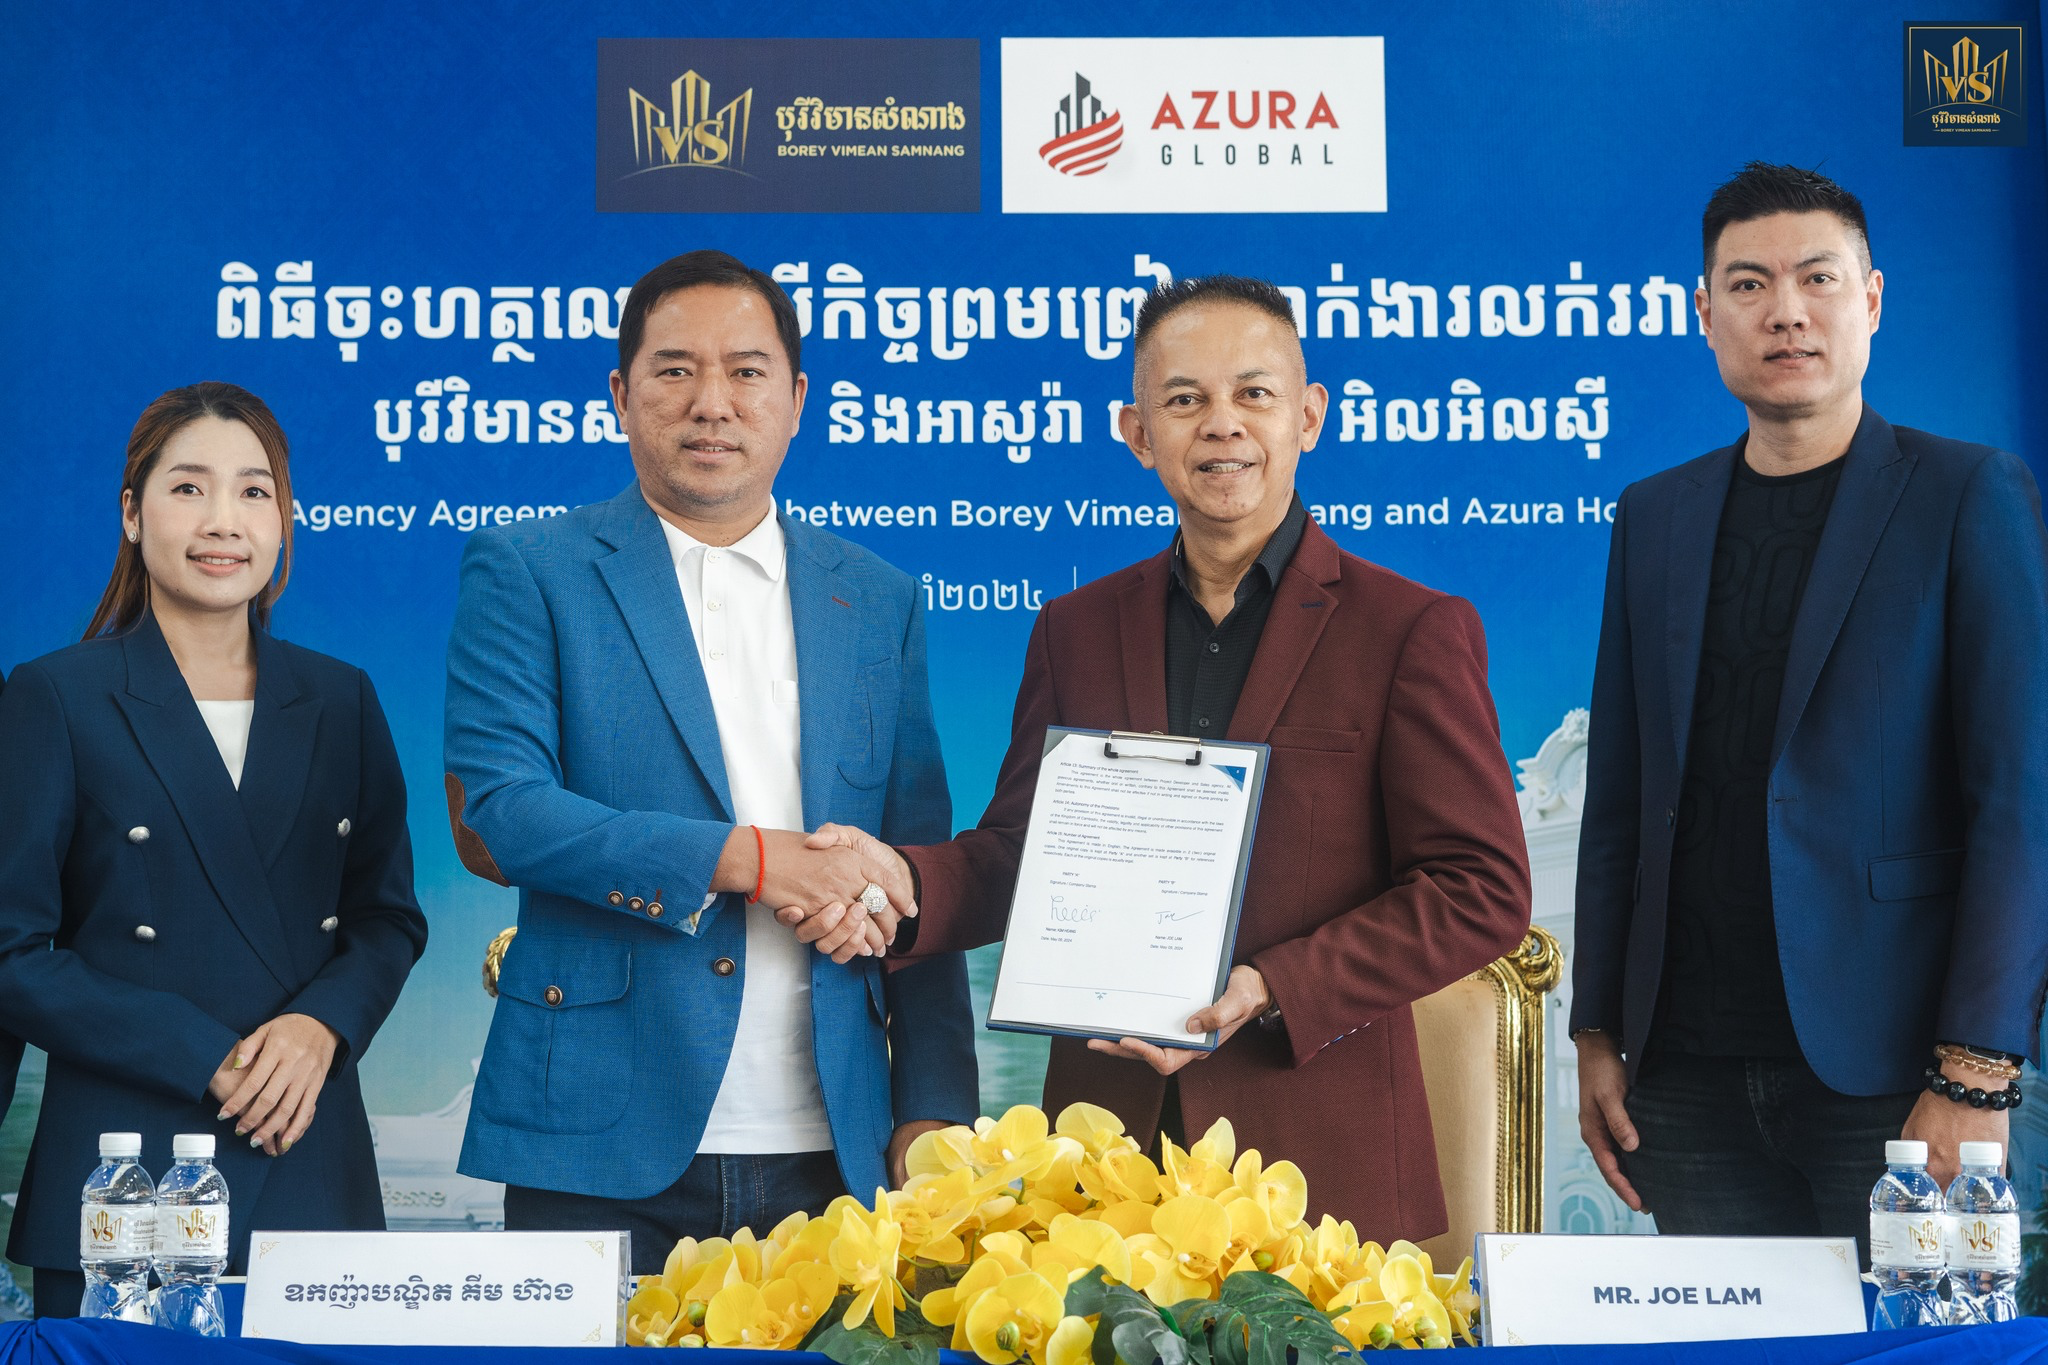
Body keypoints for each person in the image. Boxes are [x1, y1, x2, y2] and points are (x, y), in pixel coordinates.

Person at [795, 275, 1532, 1243]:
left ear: (1308, 417)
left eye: (1253, 393)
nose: (1221, 423)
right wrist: (902, 882)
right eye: (1184, 399)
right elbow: (1023, 854)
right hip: (1106, 1159)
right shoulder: (1074, 629)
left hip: (1317, 1168)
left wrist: (1272, 986)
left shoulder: (1408, 629)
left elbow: (1479, 888)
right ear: (1138, 434)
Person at [443, 249, 978, 1271]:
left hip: (837, 1144)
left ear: (796, 400)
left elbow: (918, 863)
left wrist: (935, 1105)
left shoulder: (876, 597)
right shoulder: (529, 569)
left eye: (745, 371)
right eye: (676, 370)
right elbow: (503, 809)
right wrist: (755, 861)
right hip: (598, 1138)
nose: (712, 403)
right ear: (621, 394)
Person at [1571, 162, 2048, 1245]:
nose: (1784, 310)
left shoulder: (1965, 495)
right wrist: (1596, 1028)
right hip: (1684, 1075)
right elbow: (1621, 802)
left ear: (1869, 300)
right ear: (1704, 314)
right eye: (1748, 284)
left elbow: (2020, 805)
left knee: (1918, 1336)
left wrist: (1973, 1073)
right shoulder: (1654, 516)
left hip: (1898, 1077)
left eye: (1816, 278)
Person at [0, 383, 429, 1317]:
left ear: (284, 519)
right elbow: (11, 953)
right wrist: (206, 1054)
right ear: (132, 513)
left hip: (305, 1148)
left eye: (253, 491)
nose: (223, 520)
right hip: (123, 1175)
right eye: (188, 488)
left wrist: (322, 1027)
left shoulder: (341, 698)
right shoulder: (55, 696)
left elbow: (388, 916)